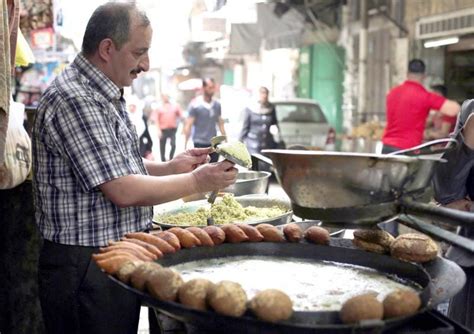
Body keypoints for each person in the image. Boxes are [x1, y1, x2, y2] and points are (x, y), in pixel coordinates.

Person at [31, 3, 237, 334]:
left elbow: (115, 164)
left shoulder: (105, 92)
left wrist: (170, 167)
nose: (146, 64)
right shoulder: (76, 98)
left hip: (114, 252)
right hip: (84, 264)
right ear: (107, 49)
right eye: (139, 52)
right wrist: (197, 180)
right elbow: (121, 189)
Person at [432, 99, 474, 330]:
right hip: (468, 261)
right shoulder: (471, 109)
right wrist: (467, 144)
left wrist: (469, 208)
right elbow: (446, 195)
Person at [381, 59, 460, 154]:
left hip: (386, 148)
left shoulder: (392, 93)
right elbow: (455, 109)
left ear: (407, 74)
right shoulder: (424, 96)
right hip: (407, 150)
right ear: (424, 76)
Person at [183, 78, 226, 162]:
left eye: (213, 87)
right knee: (201, 170)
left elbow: (220, 123)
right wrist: (185, 144)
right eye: (210, 87)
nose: (212, 90)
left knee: (214, 168)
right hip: (200, 143)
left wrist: (226, 140)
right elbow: (189, 125)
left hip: (214, 143)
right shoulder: (195, 105)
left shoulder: (217, 105)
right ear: (203, 88)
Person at [239, 86, 280, 154]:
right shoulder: (250, 109)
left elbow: (274, 124)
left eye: (266, 93)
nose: (264, 96)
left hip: (267, 144)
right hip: (252, 144)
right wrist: (240, 141)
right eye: (262, 93)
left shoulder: (271, 108)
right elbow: (245, 127)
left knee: (265, 163)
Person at [155, 93, 183, 161]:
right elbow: (156, 120)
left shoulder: (175, 106)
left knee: (173, 145)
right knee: (162, 146)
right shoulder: (159, 107)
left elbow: (181, 116)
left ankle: (171, 158)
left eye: (166, 96)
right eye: (164, 97)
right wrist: (158, 130)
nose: (165, 98)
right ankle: (163, 160)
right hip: (163, 130)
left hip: (172, 130)